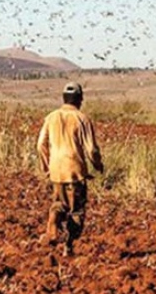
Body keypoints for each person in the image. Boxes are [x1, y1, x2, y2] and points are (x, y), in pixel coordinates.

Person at [36, 82, 104, 257]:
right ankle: (68, 246)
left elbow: (40, 145)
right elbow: (91, 149)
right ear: (80, 99)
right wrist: (97, 165)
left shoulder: (51, 117)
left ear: (63, 98)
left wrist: (46, 167)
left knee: (59, 202)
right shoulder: (82, 119)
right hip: (75, 171)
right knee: (76, 211)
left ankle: (54, 219)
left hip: (56, 170)